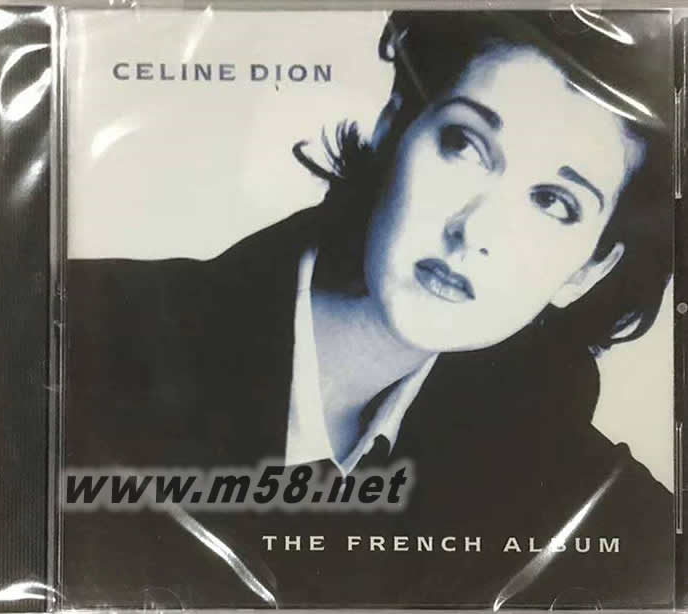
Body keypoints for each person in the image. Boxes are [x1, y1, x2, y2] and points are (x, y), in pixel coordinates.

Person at [64, 10, 674, 610]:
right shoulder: (70, 339)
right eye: (464, 144)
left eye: (554, 202)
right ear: (394, 124)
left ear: (589, 270)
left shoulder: (589, 515)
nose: (475, 230)